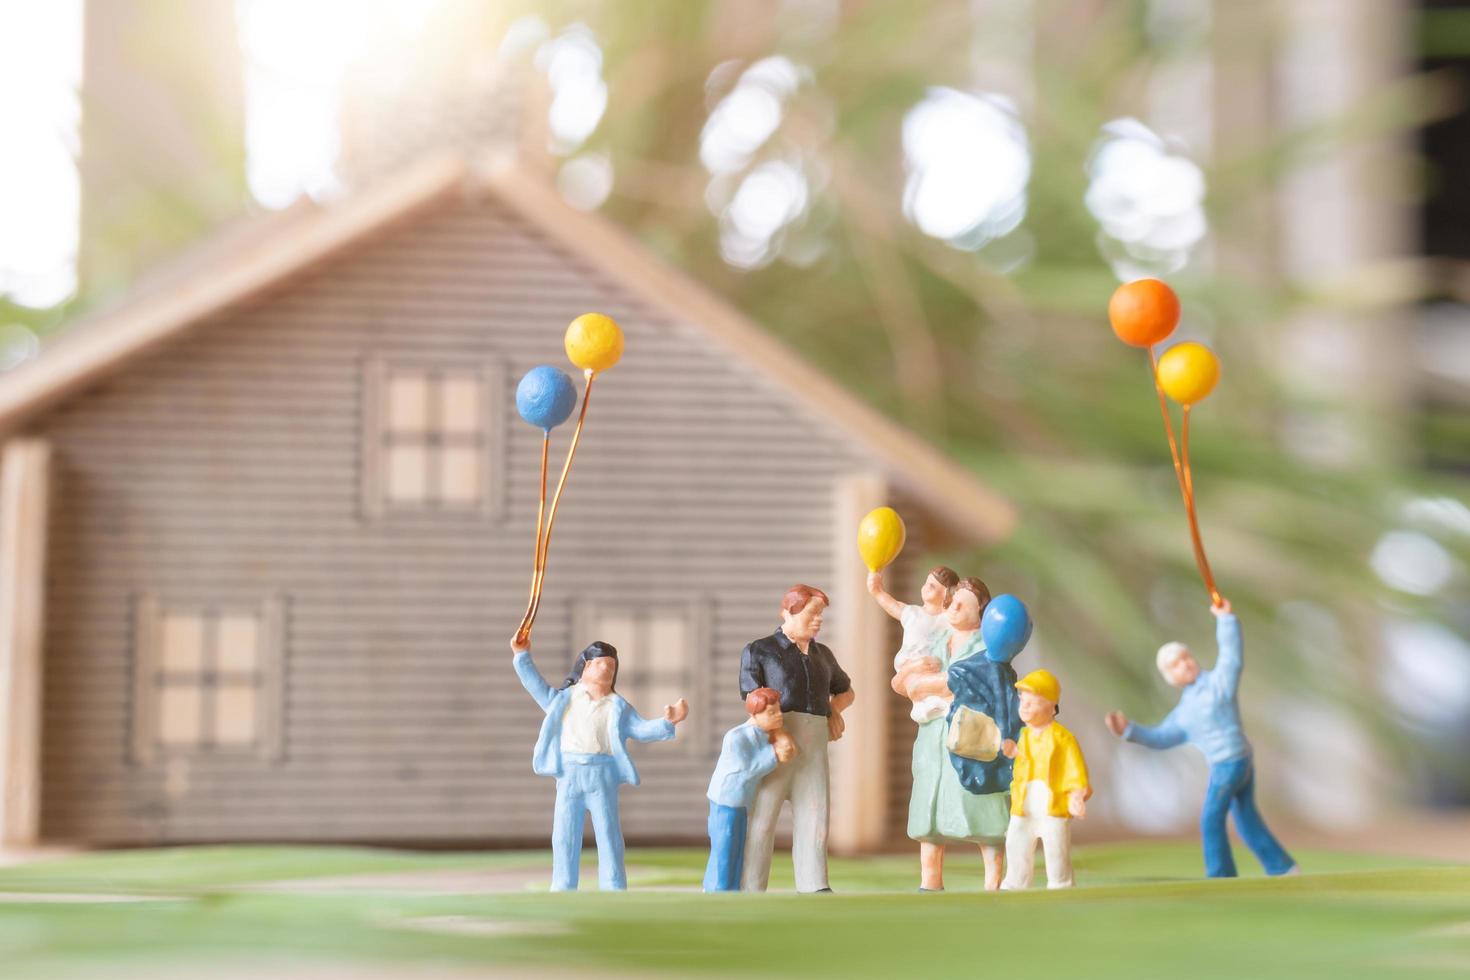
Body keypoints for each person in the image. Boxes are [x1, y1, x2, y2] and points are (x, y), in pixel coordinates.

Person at [1104, 599, 1297, 878]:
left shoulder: (1218, 685)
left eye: (1186, 658)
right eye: (1176, 665)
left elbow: (1232, 657)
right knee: (1245, 819)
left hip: (1231, 763)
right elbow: (1161, 737)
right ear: (1170, 677)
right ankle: (1282, 867)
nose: (1184, 665)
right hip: (1237, 761)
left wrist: (1226, 620)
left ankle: (1220, 873)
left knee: (1210, 819)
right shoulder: (1183, 713)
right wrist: (1129, 730)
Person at [510, 635, 689, 891]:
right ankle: (562, 886)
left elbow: (641, 730)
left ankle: (614, 885)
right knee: (564, 836)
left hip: (602, 776)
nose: (605, 669)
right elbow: (535, 685)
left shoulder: (618, 707)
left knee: (608, 835)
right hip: (569, 774)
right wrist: (522, 656)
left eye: (611, 666)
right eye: (599, 664)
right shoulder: (563, 699)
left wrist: (668, 722)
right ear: (585, 666)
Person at [738, 585, 854, 893]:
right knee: (762, 820)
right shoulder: (759, 650)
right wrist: (777, 734)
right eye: (812, 613)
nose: (818, 620)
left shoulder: (823, 655)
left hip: (814, 748)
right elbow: (753, 699)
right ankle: (751, 884)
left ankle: (814, 883)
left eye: (821, 614)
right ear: (788, 612)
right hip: (774, 744)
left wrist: (833, 710)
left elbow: (845, 690)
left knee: (815, 819)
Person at [902, 577, 1012, 891]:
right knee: (931, 812)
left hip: (973, 737)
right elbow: (905, 682)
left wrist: (926, 684)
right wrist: (914, 677)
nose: (954, 607)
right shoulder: (937, 642)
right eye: (952, 601)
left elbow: (970, 680)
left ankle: (993, 880)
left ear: (983, 612)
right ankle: (930, 879)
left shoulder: (988, 648)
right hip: (933, 736)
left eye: (964, 603)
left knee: (983, 807)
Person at [1000, 669, 1090, 890]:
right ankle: (1015, 882)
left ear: (1051, 706)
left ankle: (1060, 884)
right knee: (1016, 841)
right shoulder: (1024, 736)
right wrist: (1014, 754)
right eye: (1023, 700)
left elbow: (1075, 771)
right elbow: (1024, 764)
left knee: (1056, 847)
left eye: (1033, 701)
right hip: (1025, 803)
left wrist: (1077, 795)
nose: (1025, 706)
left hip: (1052, 803)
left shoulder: (1063, 738)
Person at [703, 687, 796, 892]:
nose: (779, 716)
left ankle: (731, 889)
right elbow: (748, 768)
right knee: (725, 850)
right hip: (726, 801)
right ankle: (719, 891)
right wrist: (775, 753)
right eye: (772, 713)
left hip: (741, 802)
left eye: (778, 711)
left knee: (737, 849)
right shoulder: (736, 737)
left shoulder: (763, 734)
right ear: (754, 713)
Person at [867, 566, 960, 723]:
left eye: (932, 586)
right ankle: (929, 706)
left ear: (946, 593)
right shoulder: (912, 613)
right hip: (909, 665)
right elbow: (891, 604)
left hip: (934, 668)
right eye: (926, 583)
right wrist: (876, 590)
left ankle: (935, 704)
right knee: (918, 686)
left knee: (939, 685)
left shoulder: (947, 619)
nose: (925, 588)